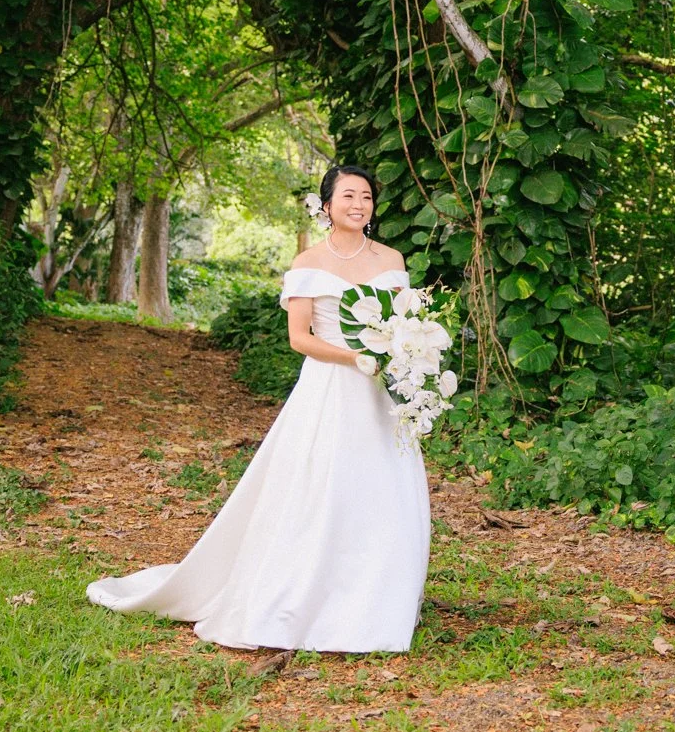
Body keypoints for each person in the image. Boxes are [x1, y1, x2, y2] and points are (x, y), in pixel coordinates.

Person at [86, 165, 431, 653]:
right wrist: (354, 357)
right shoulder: (309, 262)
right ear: (327, 206)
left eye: (367, 197)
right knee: (321, 484)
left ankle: (376, 597)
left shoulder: (391, 260)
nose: (359, 204)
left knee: (382, 484)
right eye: (348, 196)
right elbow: (300, 338)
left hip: (380, 392)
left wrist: (409, 354)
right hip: (331, 387)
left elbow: (402, 324)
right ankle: (305, 593)